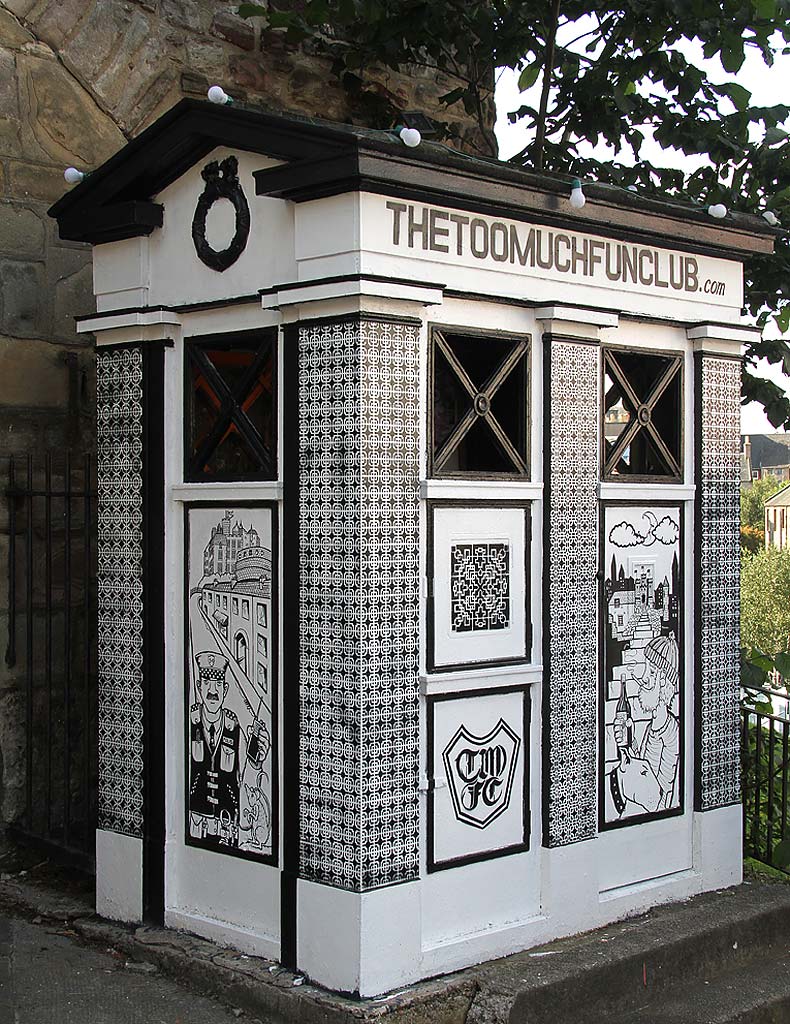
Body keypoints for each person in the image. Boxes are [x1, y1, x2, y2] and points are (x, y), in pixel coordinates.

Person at [610, 634, 680, 816]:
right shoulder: (652, 726)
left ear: (663, 680)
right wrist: (627, 744)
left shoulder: (671, 732)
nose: (644, 679)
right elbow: (642, 763)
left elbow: (660, 797)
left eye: (651, 672)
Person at [189, 651, 241, 846]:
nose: (213, 691)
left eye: (218, 684)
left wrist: (259, 756)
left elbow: (246, 769)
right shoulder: (190, 722)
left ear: (225, 689)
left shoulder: (233, 727)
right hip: (196, 817)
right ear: (199, 686)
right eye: (207, 683)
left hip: (225, 821)